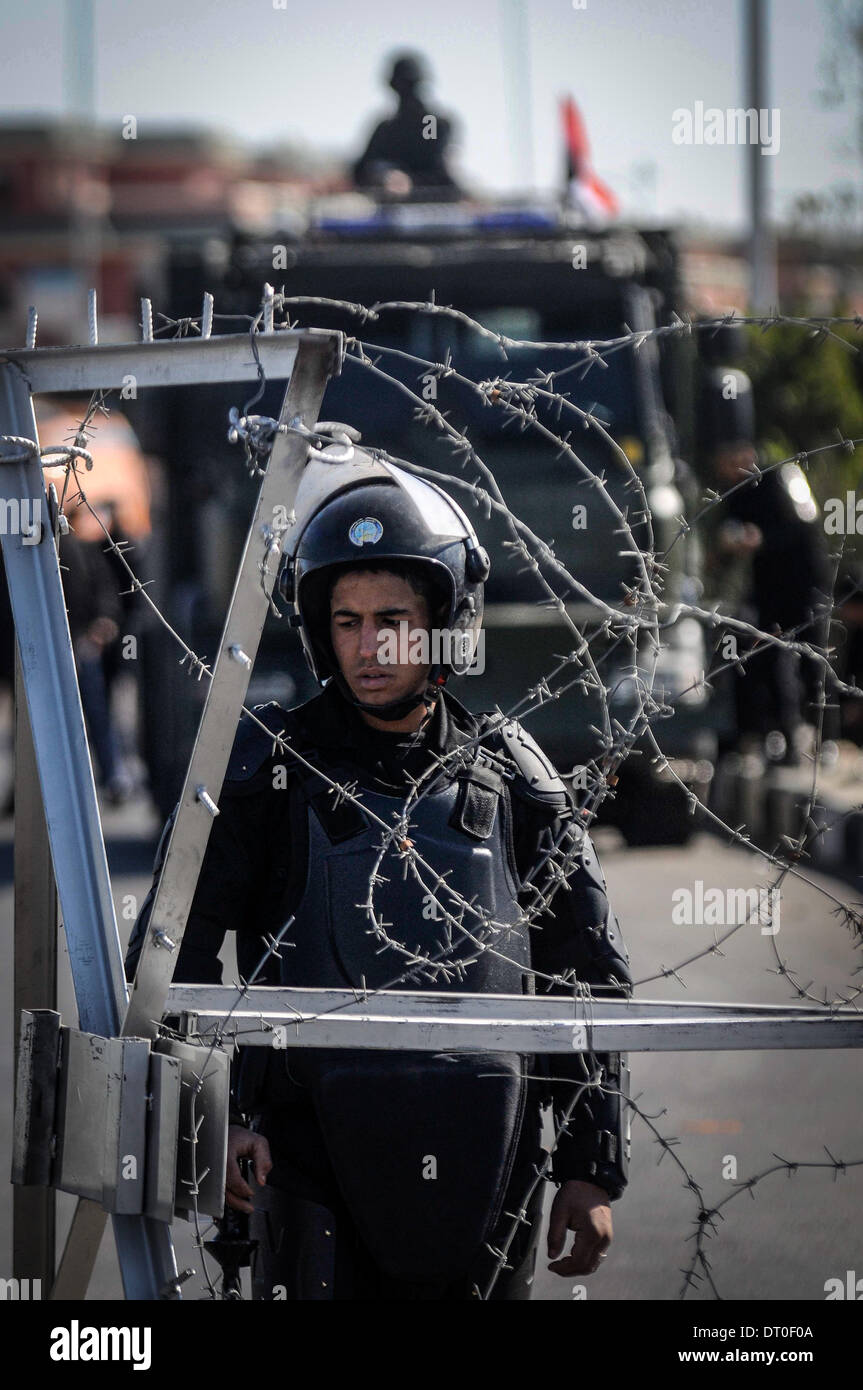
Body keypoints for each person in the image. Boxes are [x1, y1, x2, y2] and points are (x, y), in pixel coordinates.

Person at [125, 457, 631, 1300]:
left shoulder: (514, 781)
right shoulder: (262, 775)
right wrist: (217, 1126)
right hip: (306, 1167)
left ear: (441, 622)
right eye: (347, 620)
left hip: (493, 1165)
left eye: (391, 619)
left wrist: (590, 1167)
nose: (367, 646)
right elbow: (168, 966)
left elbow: (588, 981)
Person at [352, 51, 463, 200]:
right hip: (390, 212)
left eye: (409, 86)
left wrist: (410, 181)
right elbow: (360, 171)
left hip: (434, 208)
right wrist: (383, 176)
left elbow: (438, 170)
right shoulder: (386, 129)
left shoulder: (430, 123)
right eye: (401, 86)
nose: (406, 93)